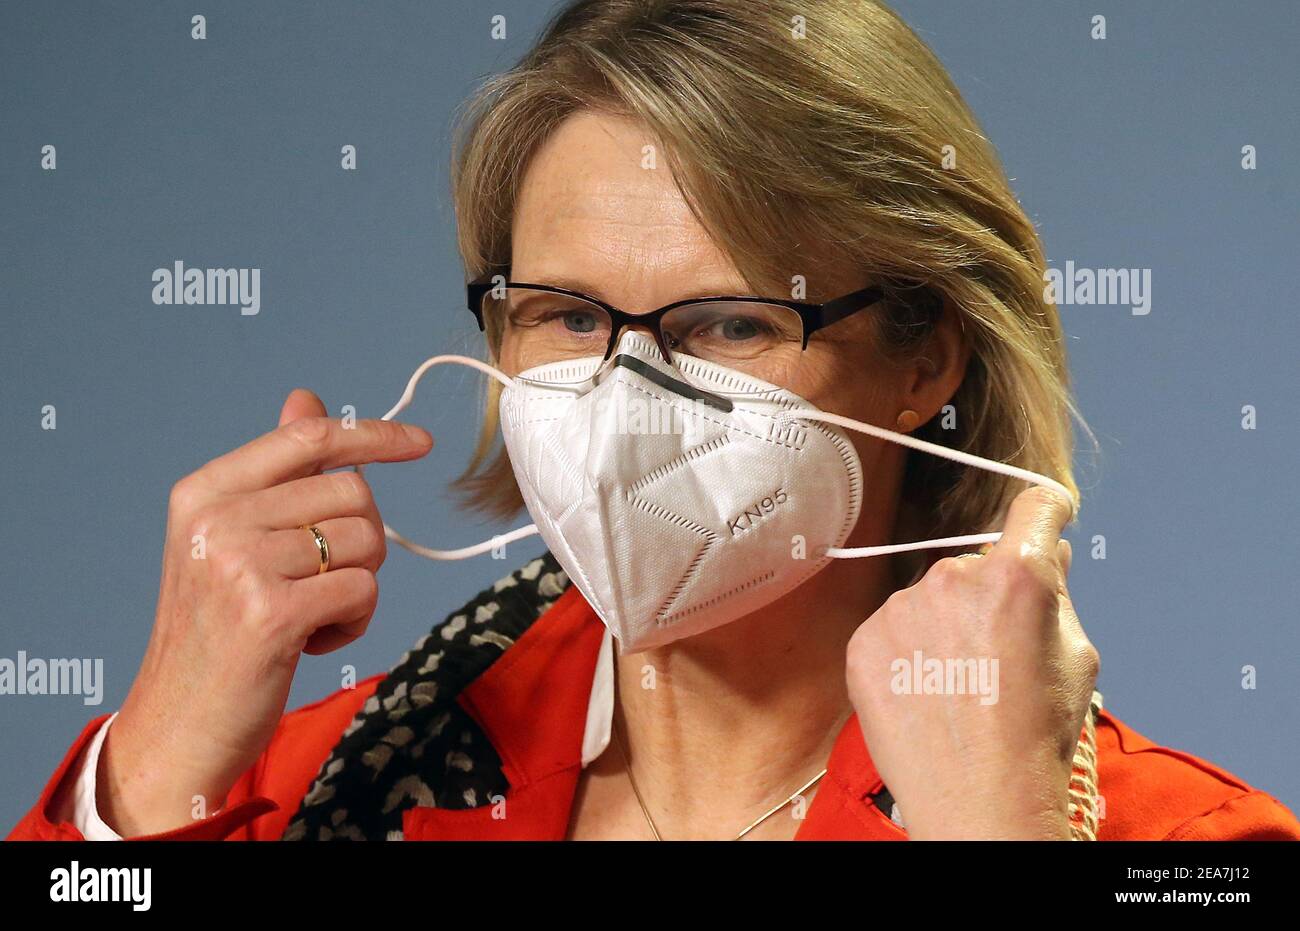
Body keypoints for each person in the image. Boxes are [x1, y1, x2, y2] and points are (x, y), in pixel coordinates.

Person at [10, 0, 1298, 841]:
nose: (623, 397)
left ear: (926, 358)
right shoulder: (315, 789)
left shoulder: (1180, 844)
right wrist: (148, 768)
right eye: (568, 316)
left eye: (728, 323)